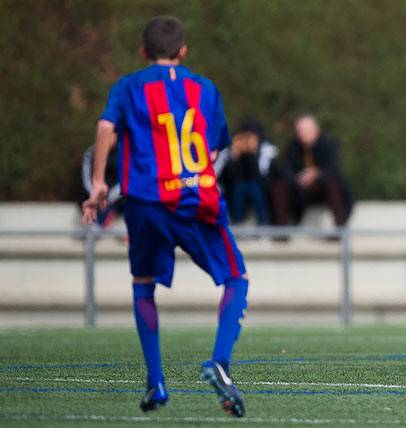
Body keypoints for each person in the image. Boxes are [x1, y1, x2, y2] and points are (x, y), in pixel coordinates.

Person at [81, 16, 247, 417]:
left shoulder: (128, 86)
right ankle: (219, 362)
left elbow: (106, 128)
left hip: (146, 202)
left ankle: (156, 383)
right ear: (184, 51)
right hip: (194, 199)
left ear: (143, 52)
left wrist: (100, 183)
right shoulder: (204, 89)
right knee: (235, 278)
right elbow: (212, 148)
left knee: (143, 284)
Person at [272, 114, 352, 227]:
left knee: (332, 184)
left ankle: (340, 229)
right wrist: (299, 179)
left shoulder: (328, 144)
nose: (304, 135)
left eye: (307, 131)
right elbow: (286, 170)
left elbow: (333, 169)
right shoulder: (292, 147)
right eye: (301, 131)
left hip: (322, 188)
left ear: (316, 131)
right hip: (299, 190)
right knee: (280, 187)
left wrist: (316, 174)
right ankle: (281, 231)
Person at [218, 120, 279, 224]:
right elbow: (230, 177)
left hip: (259, 185)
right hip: (236, 186)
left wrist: (253, 154)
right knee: (239, 189)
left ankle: (264, 224)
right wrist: (234, 157)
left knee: (255, 190)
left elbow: (261, 175)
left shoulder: (266, 150)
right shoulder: (229, 152)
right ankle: (237, 222)